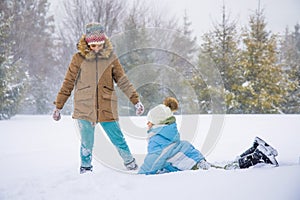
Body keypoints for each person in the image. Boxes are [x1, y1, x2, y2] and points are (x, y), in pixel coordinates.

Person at [52, 22, 144, 174]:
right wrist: (58, 106)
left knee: (117, 138)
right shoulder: (78, 58)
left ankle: (130, 164)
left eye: (99, 45)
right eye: (93, 45)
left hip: (106, 105)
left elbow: (122, 80)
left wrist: (136, 100)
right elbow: (68, 82)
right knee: (87, 141)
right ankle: (86, 168)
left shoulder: (111, 58)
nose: (96, 48)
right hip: (84, 106)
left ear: (104, 42)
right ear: (87, 43)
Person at [138, 97, 211, 175]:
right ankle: (204, 165)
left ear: (157, 124)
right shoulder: (169, 133)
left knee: (205, 172)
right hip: (192, 156)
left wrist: (142, 174)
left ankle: (203, 167)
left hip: (186, 165)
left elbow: (153, 160)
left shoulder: (156, 139)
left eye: (149, 121)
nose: (147, 124)